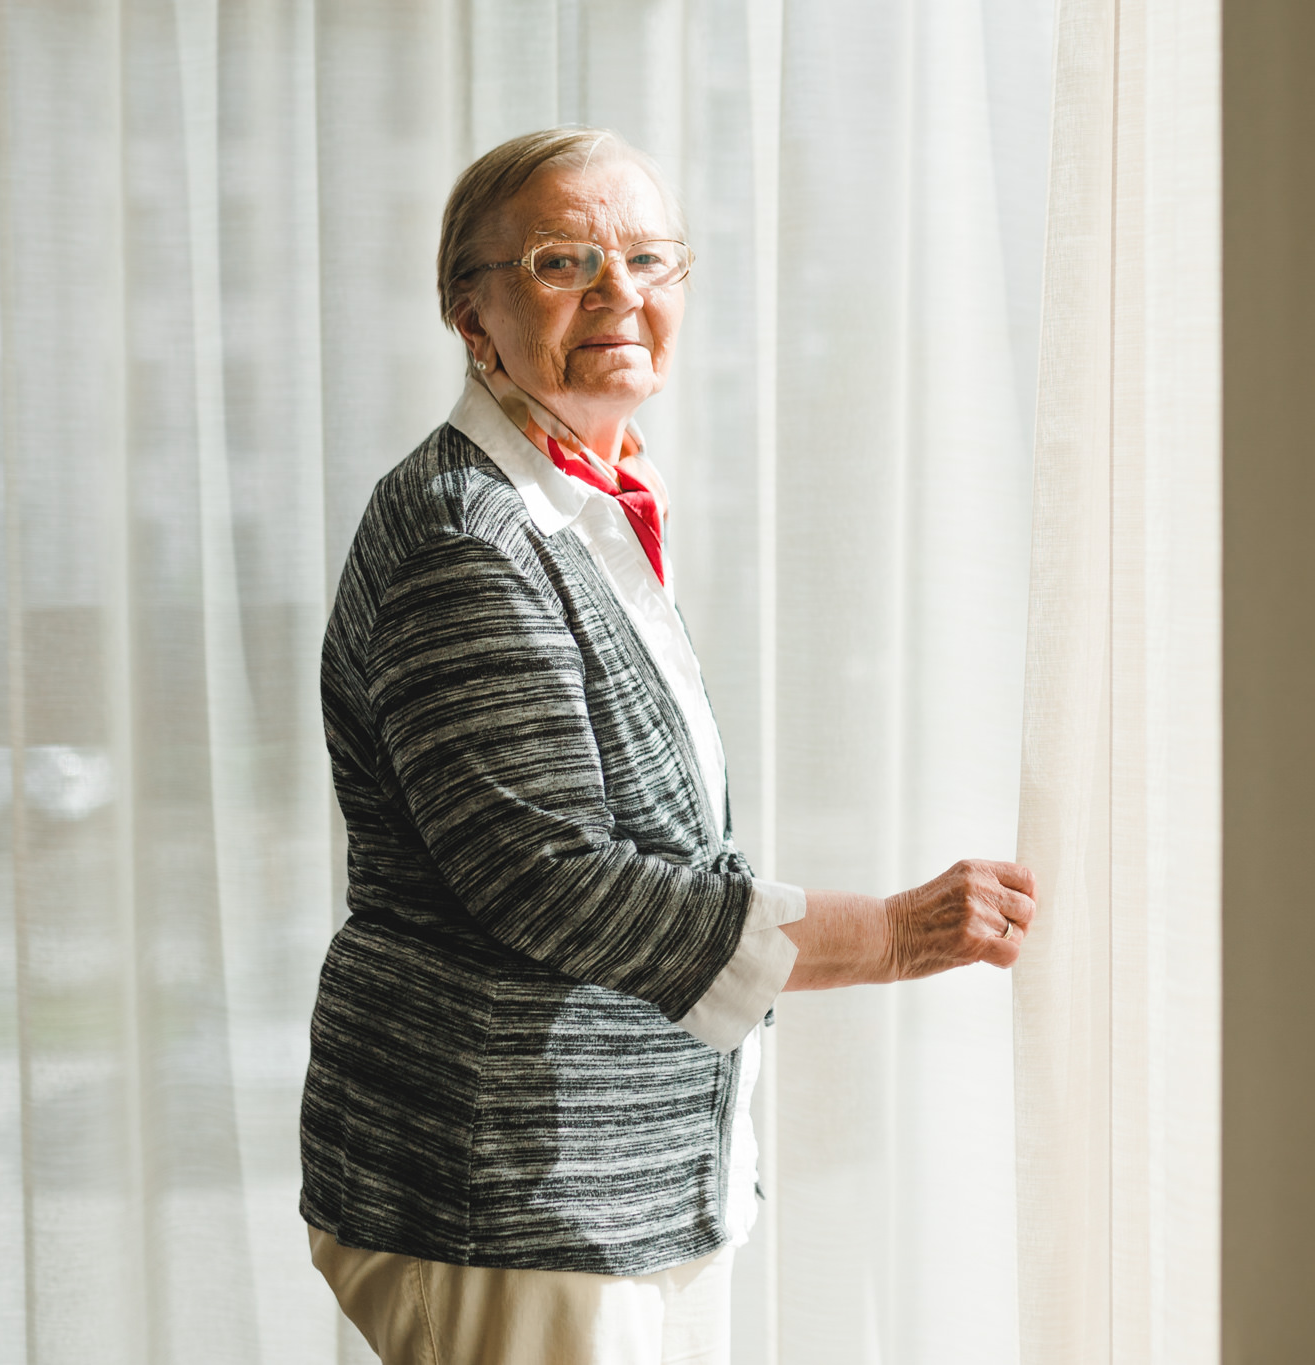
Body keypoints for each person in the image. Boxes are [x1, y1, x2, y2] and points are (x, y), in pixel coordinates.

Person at [299, 127, 1037, 1365]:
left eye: (648, 256)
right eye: (560, 260)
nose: (618, 291)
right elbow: (551, 881)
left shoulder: (579, 502)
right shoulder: (464, 536)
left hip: (603, 1189)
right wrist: (898, 933)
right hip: (506, 1192)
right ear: (469, 314)